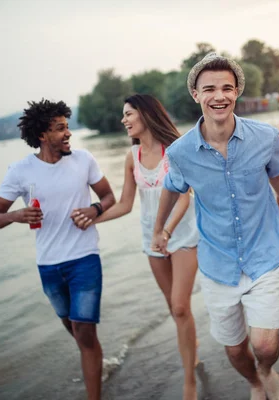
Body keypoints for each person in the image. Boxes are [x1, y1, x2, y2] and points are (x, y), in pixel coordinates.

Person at [152, 52, 279, 400]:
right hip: (217, 264)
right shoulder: (181, 152)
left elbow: (278, 174)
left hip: (264, 253)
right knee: (234, 350)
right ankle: (253, 382)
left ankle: (267, 370)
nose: (220, 96)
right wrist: (159, 230)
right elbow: (171, 190)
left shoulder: (264, 137)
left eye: (227, 88)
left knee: (264, 343)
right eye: (210, 89)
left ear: (237, 93)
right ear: (196, 95)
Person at [72, 94, 200, 400]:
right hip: (151, 240)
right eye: (123, 115)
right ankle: (191, 353)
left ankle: (189, 381)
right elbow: (126, 204)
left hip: (182, 236)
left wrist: (166, 231)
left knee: (180, 305)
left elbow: (186, 195)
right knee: (174, 308)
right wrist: (91, 219)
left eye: (128, 114)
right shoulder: (133, 156)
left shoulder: (176, 149)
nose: (123, 120)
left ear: (145, 114)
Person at [0, 99, 115, 400]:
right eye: (60, 129)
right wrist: (17, 215)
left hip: (84, 258)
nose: (68, 133)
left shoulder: (83, 160)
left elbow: (108, 196)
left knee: (84, 332)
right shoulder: (19, 171)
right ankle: (97, 361)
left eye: (67, 127)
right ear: (42, 135)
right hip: (49, 266)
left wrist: (94, 209)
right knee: (77, 332)